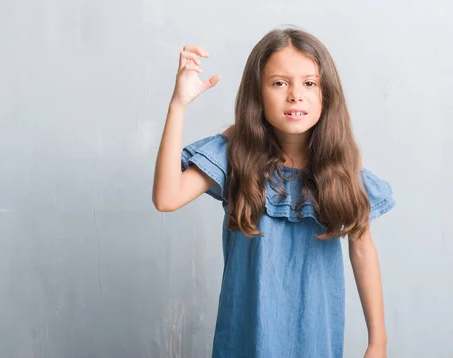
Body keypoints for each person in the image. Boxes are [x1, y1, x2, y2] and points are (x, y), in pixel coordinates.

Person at [152, 28, 395, 358]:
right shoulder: (234, 155)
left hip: (316, 345)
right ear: (258, 93)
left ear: (326, 93)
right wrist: (178, 104)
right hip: (244, 343)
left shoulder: (340, 171)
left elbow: (363, 251)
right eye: (279, 83)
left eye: (309, 83)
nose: (295, 95)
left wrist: (377, 342)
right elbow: (166, 198)